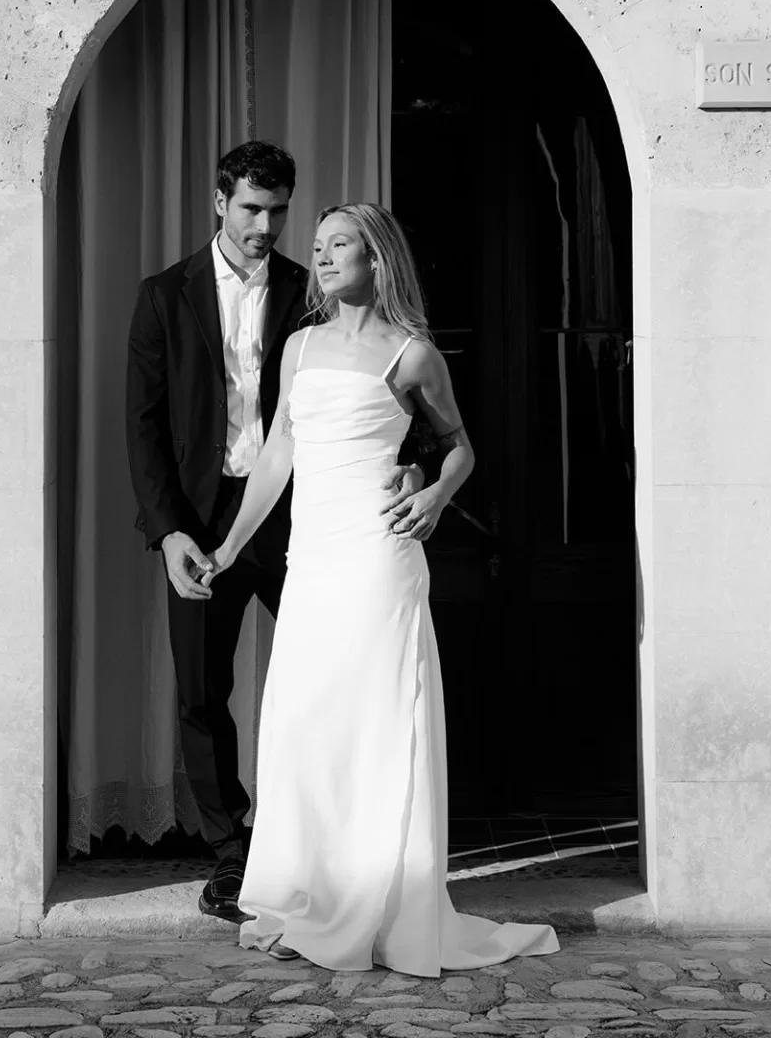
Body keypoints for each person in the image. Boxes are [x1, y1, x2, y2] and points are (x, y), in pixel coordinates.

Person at [201, 202, 560, 973]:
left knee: (373, 721)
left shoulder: (413, 354)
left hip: (377, 557)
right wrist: (229, 547)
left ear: (377, 260)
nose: (323, 258)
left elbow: (459, 447)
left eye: (341, 246)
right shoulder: (298, 347)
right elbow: (277, 456)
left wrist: (433, 494)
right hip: (314, 558)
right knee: (307, 718)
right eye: (321, 246)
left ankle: (378, 900)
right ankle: (309, 893)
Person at [125, 144, 422, 923]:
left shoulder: (312, 290)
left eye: (279, 210)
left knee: (332, 686)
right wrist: (169, 535)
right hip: (203, 522)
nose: (268, 225)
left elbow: (389, 388)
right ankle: (234, 857)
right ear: (220, 200)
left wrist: (417, 473)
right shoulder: (163, 297)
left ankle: (341, 852)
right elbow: (144, 428)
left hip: (309, 521)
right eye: (253, 208)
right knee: (199, 691)